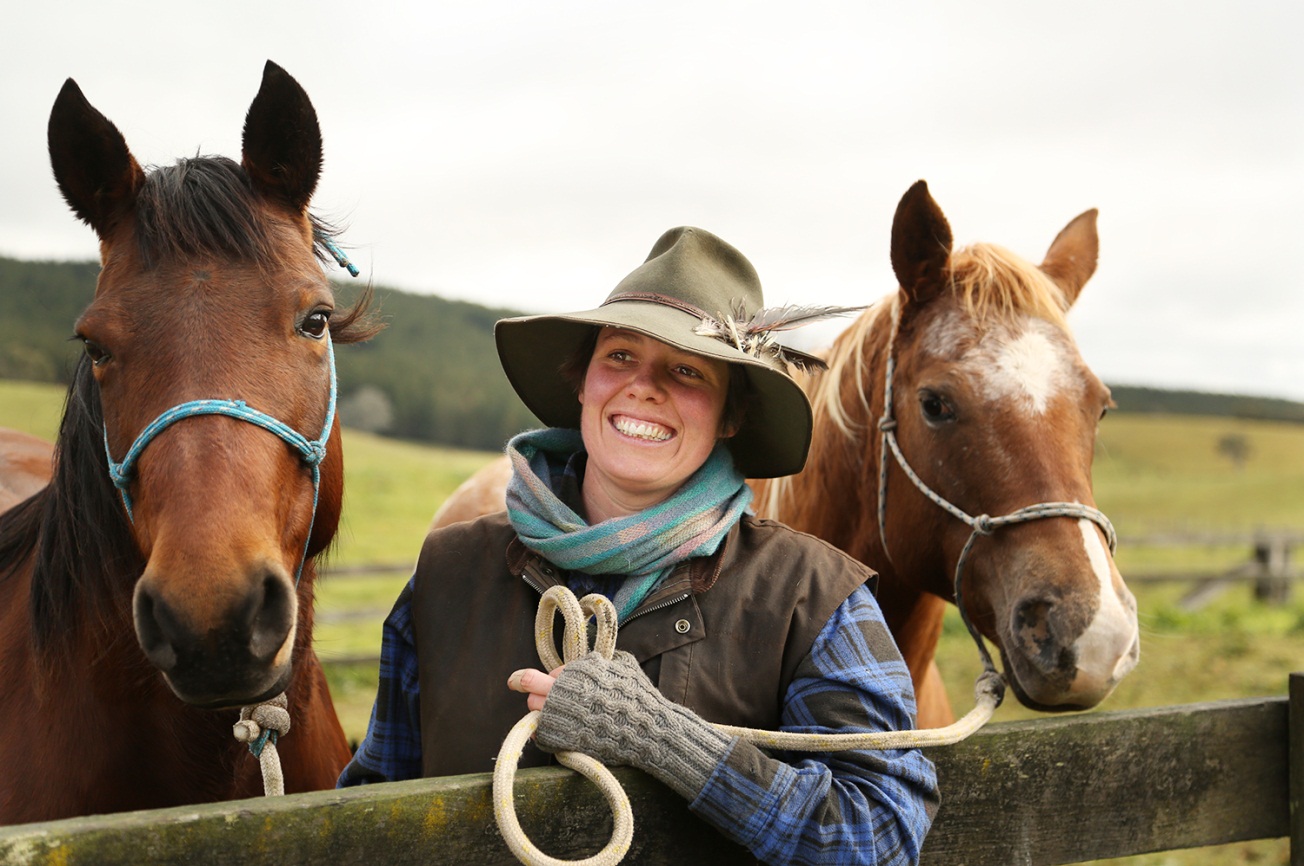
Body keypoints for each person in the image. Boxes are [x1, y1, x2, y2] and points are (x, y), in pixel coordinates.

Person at [338, 226, 939, 865]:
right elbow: (376, 806)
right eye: (620, 356)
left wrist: (662, 737)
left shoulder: (814, 598)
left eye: (685, 370)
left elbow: (883, 834)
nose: (643, 387)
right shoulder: (449, 572)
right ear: (583, 382)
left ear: (730, 416)